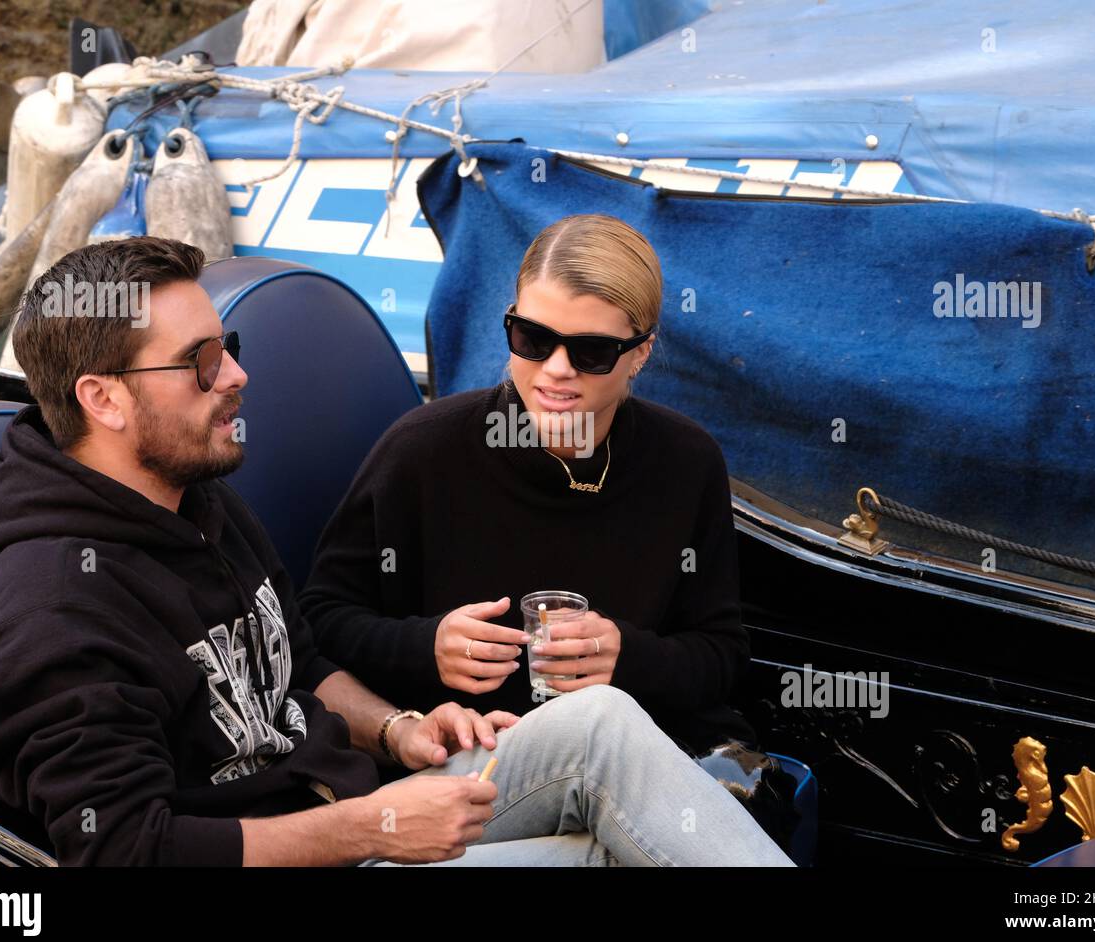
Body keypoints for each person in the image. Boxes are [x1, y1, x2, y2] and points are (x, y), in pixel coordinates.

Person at [0, 236, 793, 867]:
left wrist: (400, 729)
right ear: (104, 400)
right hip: (333, 846)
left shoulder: (195, 498)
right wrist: (372, 824)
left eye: (229, 348)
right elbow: (124, 851)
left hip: (359, 808)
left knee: (603, 723)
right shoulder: (46, 617)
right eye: (201, 362)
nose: (236, 377)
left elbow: (303, 658)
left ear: (639, 353)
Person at [299, 214, 755, 753]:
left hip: (634, 755)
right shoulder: (421, 450)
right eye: (533, 338)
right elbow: (315, 625)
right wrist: (426, 647)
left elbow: (722, 655)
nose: (557, 369)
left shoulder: (687, 460)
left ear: (640, 353)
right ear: (511, 322)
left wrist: (626, 658)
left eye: (591, 351)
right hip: (473, 764)